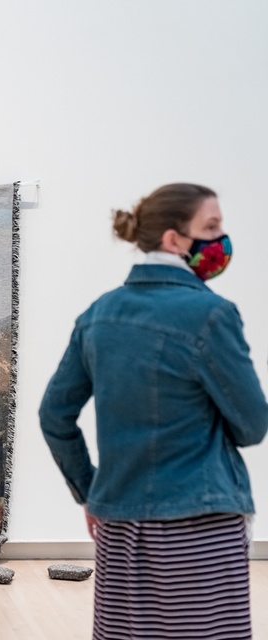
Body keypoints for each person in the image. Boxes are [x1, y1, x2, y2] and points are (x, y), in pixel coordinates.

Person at [39, 183, 268, 639]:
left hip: (120, 525)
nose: (222, 238)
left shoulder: (97, 315)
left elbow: (54, 415)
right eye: (212, 226)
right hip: (201, 527)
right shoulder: (211, 314)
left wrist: (90, 491)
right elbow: (252, 426)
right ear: (173, 239)